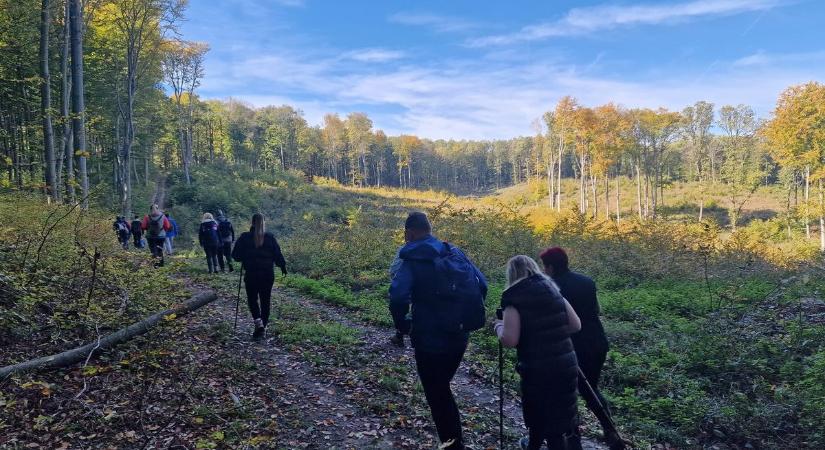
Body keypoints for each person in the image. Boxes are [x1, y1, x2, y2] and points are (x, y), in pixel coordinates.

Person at [389, 212, 487, 450]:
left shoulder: (411, 258)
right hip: (459, 334)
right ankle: (453, 441)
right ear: (429, 229)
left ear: (409, 232)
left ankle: (453, 444)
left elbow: (398, 295)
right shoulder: (453, 251)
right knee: (441, 387)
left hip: (428, 337)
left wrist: (402, 323)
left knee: (437, 392)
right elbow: (482, 285)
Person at [494, 255, 582, 450]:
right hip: (566, 365)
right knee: (556, 419)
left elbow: (510, 340)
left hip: (539, 369)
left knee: (542, 419)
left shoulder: (513, 297)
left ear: (512, 274)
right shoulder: (552, 289)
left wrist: (498, 327)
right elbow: (575, 325)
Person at [540, 247, 623, 449]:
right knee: (590, 388)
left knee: (566, 393)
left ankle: (573, 439)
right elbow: (596, 310)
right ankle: (610, 430)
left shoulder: (551, 287)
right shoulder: (587, 281)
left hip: (572, 346)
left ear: (550, 267)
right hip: (597, 342)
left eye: (544, 266)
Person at [231, 213, 287, 340]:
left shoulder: (244, 237)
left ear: (252, 223)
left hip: (251, 274)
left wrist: (245, 256)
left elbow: (235, 256)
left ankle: (258, 323)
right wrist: (283, 266)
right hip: (267, 274)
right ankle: (263, 327)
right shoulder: (270, 238)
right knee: (265, 301)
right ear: (264, 223)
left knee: (252, 300)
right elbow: (278, 254)